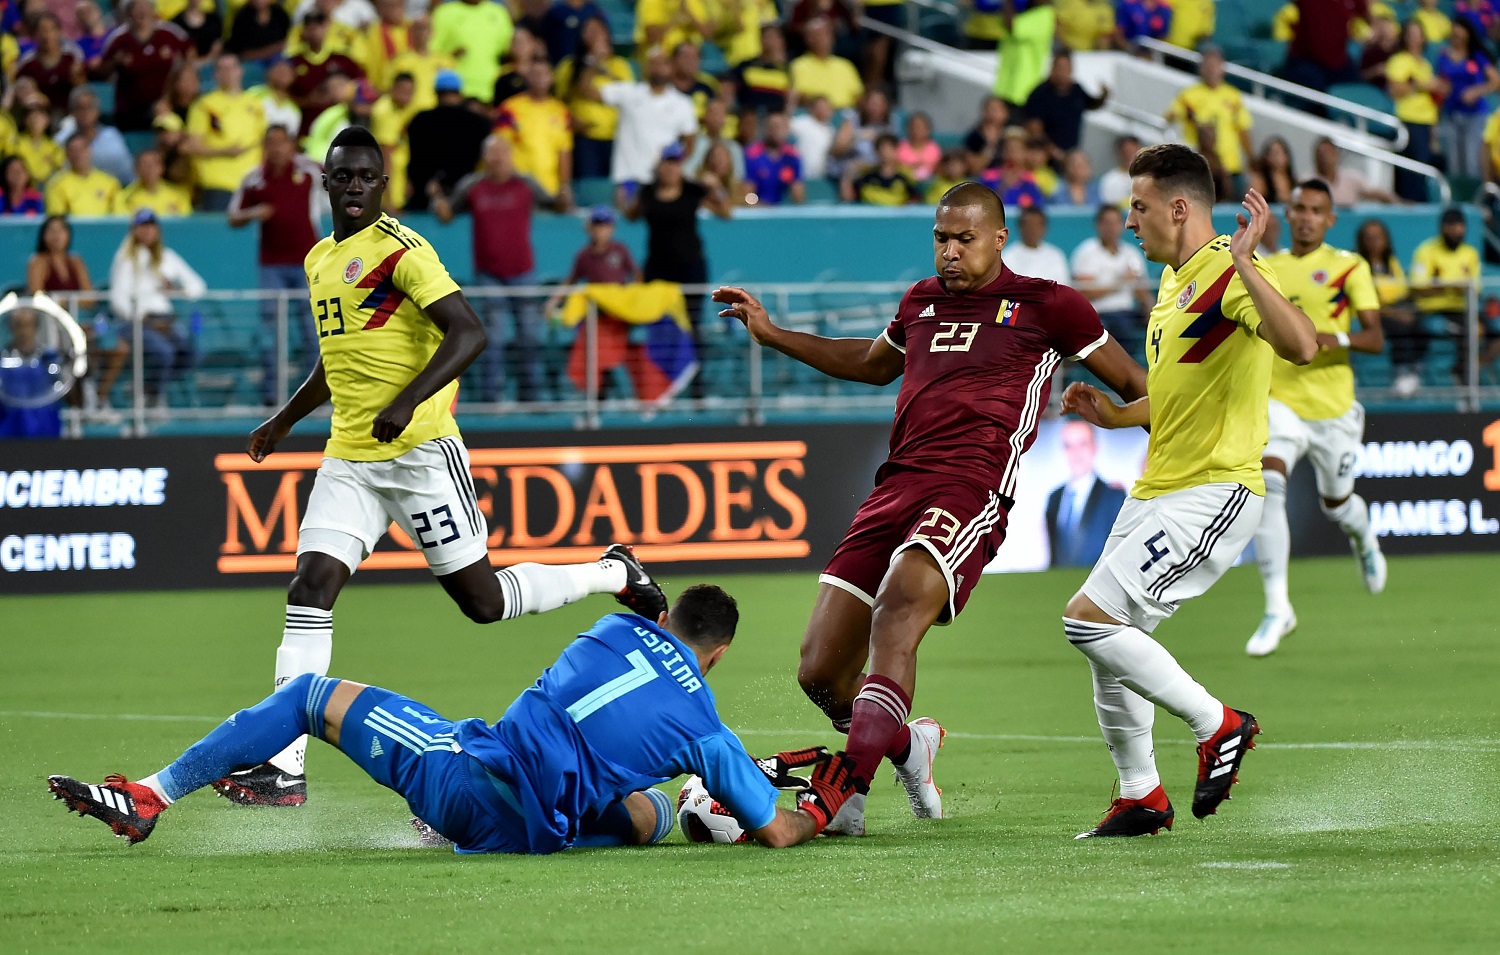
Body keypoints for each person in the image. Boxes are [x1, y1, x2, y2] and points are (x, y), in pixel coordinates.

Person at [226, 127, 669, 807]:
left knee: (483, 603)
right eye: (341, 176)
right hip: (350, 454)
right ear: (326, 183)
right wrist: (283, 419)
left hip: (420, 453)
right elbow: (335, 358)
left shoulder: (404, 251)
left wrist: (407, 401)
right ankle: (283, 764)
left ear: (383, 183)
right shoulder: (320, 260)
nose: (352, 187)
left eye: (365, 177)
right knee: (308, 588)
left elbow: (469, 330)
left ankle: (613, 572)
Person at [712, 182, 1147, 836]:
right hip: (895, 486)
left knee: (897, 606)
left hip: (971, 484)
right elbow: (866, 361)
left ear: (999, 239)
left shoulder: (1051, 306)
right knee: (821, 672)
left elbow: (1140, 385)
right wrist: (772, 334)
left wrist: (1136, 426)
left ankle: (838, 797)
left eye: (963, 239)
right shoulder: (920, 301)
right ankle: (908, 746)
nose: (949, 252)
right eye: (941, 239)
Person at [48, 586, 861, 853]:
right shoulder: (706, 729)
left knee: (306, 696)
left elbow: (633, 633)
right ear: (716, 655)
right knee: (641, 803)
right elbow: (782, 834)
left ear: (666, 619)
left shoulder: (614, 628)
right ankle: (691, 807)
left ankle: (153, 795)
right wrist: (815, 808)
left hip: (469, 779)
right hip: (540, 835)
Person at [1058, 145, 1317, 839]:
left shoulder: (1230, 273)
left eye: (1138, 208)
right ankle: (1140, 793)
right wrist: (1116, 415)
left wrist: (1244, 264)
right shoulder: (1173, 285)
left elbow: (1302, 345)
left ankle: (1219, 723)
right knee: (1110, 635)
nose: (1129, 223)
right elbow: (1177, 392)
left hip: (1214, 489)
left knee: (1088, 619)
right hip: (1158, 487)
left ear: (1179, 207)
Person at [1246, 179, 1387, 658]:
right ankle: (1277, 606)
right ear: (1287, 213)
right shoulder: (1268, 266)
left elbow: (1375, 337)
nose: (1306, 217)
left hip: (1332, 409)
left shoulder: (1349, 267)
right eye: (1299, 208)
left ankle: (1362, 535)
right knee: (1268, 482)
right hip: (1278, 399)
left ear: (1330, 219)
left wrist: (1334, 338)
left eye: (1316, 210)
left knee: (1337, 505)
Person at [431, 134, 555, 403]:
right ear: (484, 158)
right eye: (492, 153)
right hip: (489, 277)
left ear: (511, 156)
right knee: (493, 340)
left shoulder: (527, 184)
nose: (497, 158)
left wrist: (565, 191)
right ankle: (491, 400)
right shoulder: (472, 186)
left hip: (523, 273)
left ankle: (531, 398)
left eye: (502, 152)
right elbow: (447, 215)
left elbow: (557, 204)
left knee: (530, 337)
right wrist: (436, 199)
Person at [229, 125, 326, 407]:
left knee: (314, 328)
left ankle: (315, 394)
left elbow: (340, 181)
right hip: (272, 266)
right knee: (270, 329)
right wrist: (254, 213)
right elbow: (233, 216)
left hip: (309, 264)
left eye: (282, 143)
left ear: (292, 144)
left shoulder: (310, 171)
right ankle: (271, 394)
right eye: (270, 143)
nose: (277, 148)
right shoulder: (254, 179)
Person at [625, 143, 731, 377]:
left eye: (676, 163)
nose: (671, 168)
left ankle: (696, 385)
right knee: (660, 326)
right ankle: (662, 383)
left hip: (689, 268)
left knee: (691, 326)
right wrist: (627, 195)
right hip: (658, 270)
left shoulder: (693, 190)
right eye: (667, 162)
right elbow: (630, 215)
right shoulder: (647, 192)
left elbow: (725, 212)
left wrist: (717, 188)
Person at [107, 208, 205, 410]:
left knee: (192, 353)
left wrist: (176, 290)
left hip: (166, 320)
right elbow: (118, 298)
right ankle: (155, 400)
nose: (147, 231)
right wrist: (139, 318)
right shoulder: (125, 258)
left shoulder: (167, 257)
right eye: (142, 227)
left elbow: (198, 286)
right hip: (137, 322)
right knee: (164, 353)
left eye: (151, 226)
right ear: (133, 230)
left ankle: (149, 388)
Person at [592, 48, 698, 204]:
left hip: (660, 181)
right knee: (628, 223)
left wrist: (671, 169)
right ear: (645, 67)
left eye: (663, 63)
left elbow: (689, 144)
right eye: (653, 63)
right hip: (629, 178)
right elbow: (588, 92)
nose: (658, 68)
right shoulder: (629, 92)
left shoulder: (683, 103)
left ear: (672, 67)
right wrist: (590, 65)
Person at [1408, 206, 1486, 391]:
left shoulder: (1470, 254)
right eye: (1451, 226)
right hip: (1431, 310)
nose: (1455, 231)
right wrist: (1451, 286)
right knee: (1462, 331)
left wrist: (1441, 284)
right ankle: (1462, 378)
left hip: (1461, 308)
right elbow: (1419, 287)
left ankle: (1468, 371)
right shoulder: (1426, 251)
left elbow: (1475, 289)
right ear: (1442, 228)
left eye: (1459, 226)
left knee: (1489, 332)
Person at [184, 54, 269, 211]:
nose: (228, 72)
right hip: (217, 183)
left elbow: (263, 143)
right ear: (215, 74)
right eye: (222, 68)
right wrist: (224, 151)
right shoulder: (205, 105)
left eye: (232, 67)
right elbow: (191, 146)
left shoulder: (255, 104)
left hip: (250, 182)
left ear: (240, 71)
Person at [1164, 46, 1252, 198]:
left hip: (1231, 164)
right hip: (1200, 165)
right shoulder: (1188, 95)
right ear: (1201, 69)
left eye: (1215, 65)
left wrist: (1251, 159)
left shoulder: (1233, 95)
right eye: (1207, 66)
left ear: (1222, 69)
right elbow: (1170, 116)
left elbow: (1242, 129)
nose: (1211, 70)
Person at [96, 0, 194, 131]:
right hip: (130, 108)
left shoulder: (169, 33)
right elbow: (102, 72)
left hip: (167, 104)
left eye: (145, 6)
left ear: (153, 10)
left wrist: (184, 73)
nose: (142, 12)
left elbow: (190, 50)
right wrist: (115, 62)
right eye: (137, 7)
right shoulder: (118, 39)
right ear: (129, 12)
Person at [554, 16, 632, 180]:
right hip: (584, 137)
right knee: (588, 183)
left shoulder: (619, 65)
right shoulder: (569, 66)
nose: (595, 35)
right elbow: (570, 95)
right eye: (589, 30)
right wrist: (594, 63)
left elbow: (626, 97)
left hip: (615, 137)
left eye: (599, 30)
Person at [404, 69, 492, 210]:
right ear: (460, 92)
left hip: (425, 195)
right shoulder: (478, 123)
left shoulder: (420, 120)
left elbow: (415, 160)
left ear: (436, 92)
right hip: (465, 197)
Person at [1045, 419, 1127, 567]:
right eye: (1068, 446)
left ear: (1094, 447)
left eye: (1082, 444)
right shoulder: (1054, 498)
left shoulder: (1114, 497)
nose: (1075, 453)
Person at [1071, 204, 1149, 358]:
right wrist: (1121, 282)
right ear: (1098, 225)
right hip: (1097, 314)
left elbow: (1143, 291)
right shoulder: (1085, 252)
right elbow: (1085, 292)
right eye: (1107, 222)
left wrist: (1150, 309)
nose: (1111, 228)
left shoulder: (1132, 253)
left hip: (1128, 314)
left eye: (1115, 223)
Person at [1356, 217, 1421, 396]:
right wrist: (1398, 313)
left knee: (1422, 321)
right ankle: (1402, 373)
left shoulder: (1390, 262)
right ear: (1362, 241)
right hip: (1372, 312)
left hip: (1397, 306)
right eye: (1369, 238)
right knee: (1399, 326)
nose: (1375, 242)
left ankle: (1416, 369)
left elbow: (1401, 290)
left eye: (1379, 237)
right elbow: (1370, 302)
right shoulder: (1358, 265)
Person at [498, 57, 574, 204]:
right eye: (535, 74)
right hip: (517, 188)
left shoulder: (561, 111)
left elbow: (564, 151)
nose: (540, 78)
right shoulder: (510, 108)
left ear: (552, 78)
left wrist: (565, 187)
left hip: (550, 190)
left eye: (544, 74)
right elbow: (501, 147)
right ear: (527, 77)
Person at [1436, 15, 1500, 180]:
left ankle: (1474, 202)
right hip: (1451, 113)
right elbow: (1441, 81)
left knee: (1472, 162)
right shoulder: (1444, 55)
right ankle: (1458, 201)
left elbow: (1495, 81)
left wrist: (1476, 91)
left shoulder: (1477, 56)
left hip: (1475, 115)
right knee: (1454, 163)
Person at [1387, 20, 1440, 202]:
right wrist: (1419, 84)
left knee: (1423, 170)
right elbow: (1395, 90)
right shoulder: (1398, 61)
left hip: (1426, 121)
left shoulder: (1425, 64)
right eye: (1411, 34)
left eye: (1418, 35)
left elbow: (1432, 99)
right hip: (1408, 119)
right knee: (1411, 172)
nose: (1415, 39)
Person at [1022, 51, 1106, 163]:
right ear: (1052, 68)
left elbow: (1091, 104)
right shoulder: (1040, 93)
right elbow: (1034, 128)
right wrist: (1054, 152)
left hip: (1071, 153)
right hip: (1046, 157)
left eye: (1065, 68)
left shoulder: (1076, 90)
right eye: (1059, 67)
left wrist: (1103, 96)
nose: (1062, 72)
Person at [431, 0, 514, 105]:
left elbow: (508, 50)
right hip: (456, 90)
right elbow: (431, 51)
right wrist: (450, 55)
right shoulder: (444, 12)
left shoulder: (498, 12)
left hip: (490, 89)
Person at [0, 306, 65, 440]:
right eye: (19, 325)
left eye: (28, 325)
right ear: (11, 327)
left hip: (46, 432)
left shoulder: (49, 359)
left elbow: (65, 391)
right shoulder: (3, 360)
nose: (24, 331)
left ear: (36, 327)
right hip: (9, 434)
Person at [52, 85, 134, 187]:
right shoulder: (60, 139)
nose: (85, 112)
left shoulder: (112, 137)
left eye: (89, 106)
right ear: (72, 112)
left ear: (97, 111)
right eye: (80, 108)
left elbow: (128, 175)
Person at [1281, 0, 1366, 94]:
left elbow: (1365, 11)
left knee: (1356, 90)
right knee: (1314, 86)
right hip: (1306, 59)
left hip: (1338, 62)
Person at [14, 11, 85, 111]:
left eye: (51, 30)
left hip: (70, 114)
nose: (47, 35)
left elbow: (82, 88)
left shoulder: (71, 57)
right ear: (34, 35)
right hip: (39, 115)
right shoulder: (28, 64)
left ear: (58, 32)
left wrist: (77, 78)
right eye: (42, 30)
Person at [994, 0, 1055, 112]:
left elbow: (1012, 26)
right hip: (1005, 88)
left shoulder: (1045, 15)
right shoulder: (1025, 12)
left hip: (1021, 92)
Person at [789, 18, 862, 110]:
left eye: (829, 34)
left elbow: (858, 97)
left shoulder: (846, 65)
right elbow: (800, 97)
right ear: (809, 39)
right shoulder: (799, 65)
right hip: (814, 114)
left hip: (845, 113)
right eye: (820, 34)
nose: (826, 39)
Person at [45, 135, 121, 216]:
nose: (78, 154)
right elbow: (56, 220)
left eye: (82, 149)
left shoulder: (110, 181)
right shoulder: (56, 184)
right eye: (73, 150)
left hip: (105, 228)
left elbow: (120, 217)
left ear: (90, 151)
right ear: (66, 154)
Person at [1311, 137, 1398, 206]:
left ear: (1336, 155)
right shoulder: (1308, 182)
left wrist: (1400, 205)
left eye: (1328, 153)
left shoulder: (1351, 178)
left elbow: (1378, 194)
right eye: (1321, 154)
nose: (1325, 158)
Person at [744, 111, 805, 205]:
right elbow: (748, 194)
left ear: (786, 130)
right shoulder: (753, 154)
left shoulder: (792, 156)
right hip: (759, 208)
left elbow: (798, 194)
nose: (775, 131)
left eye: (778, 127)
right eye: (771, 127)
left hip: (782, 209)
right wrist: (757, 205)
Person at [114, 148, 194, 217]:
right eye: (145, 164)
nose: (150, 169)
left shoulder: (179, 196)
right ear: (136, 169)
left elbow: (185, 226)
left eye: (154, 164)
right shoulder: (123, 197)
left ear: (162, 168)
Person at [845, 132, 918, 205]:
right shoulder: (866, 176)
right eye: (882, 148)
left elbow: (915, 200)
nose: (885, 152)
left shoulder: (905, 176)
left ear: (896, 150)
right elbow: (849, 198)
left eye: (889, 148)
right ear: (876, 151)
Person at [735, 24, 793, 115]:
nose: (769, 41)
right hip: (750, 118)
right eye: (766, 36)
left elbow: (789, 98)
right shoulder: (746, 66)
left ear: (781, 41)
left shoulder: (787, 70)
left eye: (773, 37)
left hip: (775, 121)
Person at [1003, 206, 1070, 284]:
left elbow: (1063, 285)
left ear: (1044, 227)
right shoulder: (1008, 257)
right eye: (1029, 225)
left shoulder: (1055, 255)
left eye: (1037, 225)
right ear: (1020, 227)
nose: (1033, 230)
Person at [226, 0, 293, 62]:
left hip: (278, 56)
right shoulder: (242, 17)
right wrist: (269, 50)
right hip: (252, 61)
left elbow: (285, 41)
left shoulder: (279, 13)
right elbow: (243, 52)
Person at [790, 95, 837, 182]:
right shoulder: (803, 122)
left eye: (828, 107)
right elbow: (784, 125)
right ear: (813, 109)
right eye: (822, 107)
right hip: (803, 176)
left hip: (822, 176)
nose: (827, 110)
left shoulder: (831, 130)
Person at [1249, 136, 1296, 205]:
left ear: (1287, 156)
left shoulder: (1293, 181)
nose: (1276, 157)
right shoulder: (1260, 181)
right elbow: (1251, 205)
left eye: (1278, 153)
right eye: (1272, 153)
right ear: (1266, 157)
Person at [1098, 133, 1139, 208]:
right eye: (1126, 151)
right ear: (1119, 153)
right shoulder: (1109, 180)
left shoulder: (1151, 177)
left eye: (1132, 151)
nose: (1129, 155)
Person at [897, 111, 939, 182]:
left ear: (928, 129)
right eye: (914, 126)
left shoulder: (934, 148)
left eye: (921, 127)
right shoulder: (900, 147)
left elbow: (937, 169)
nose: (917, 130)